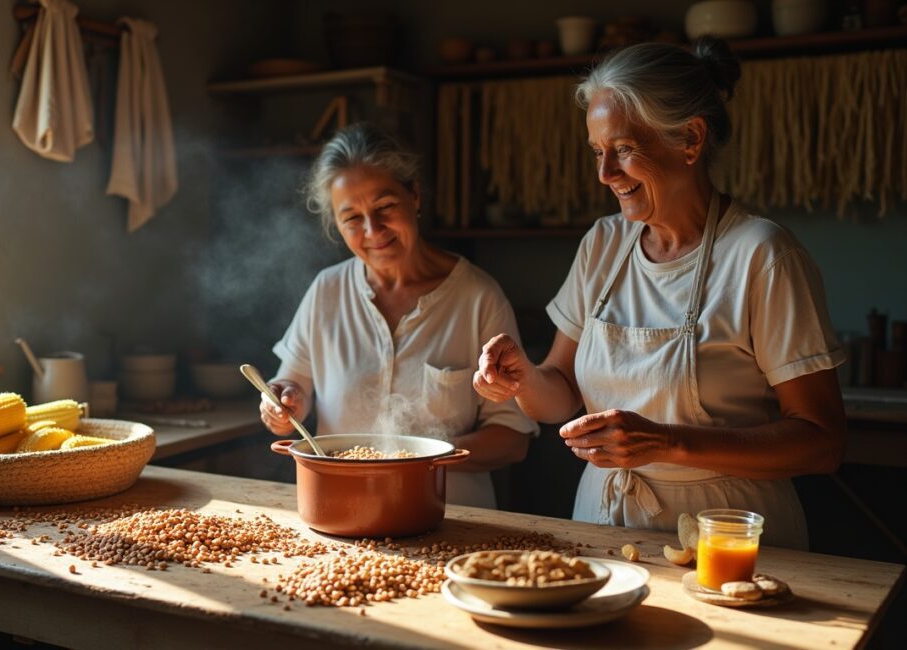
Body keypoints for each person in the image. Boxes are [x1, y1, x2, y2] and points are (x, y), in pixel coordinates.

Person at [473, 39, 846, 549]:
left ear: (690, 139)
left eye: (624, 149)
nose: (605, 174)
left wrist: (667, 443)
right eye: (598, 152)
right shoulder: (603, 245)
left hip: (727, 536)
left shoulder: (762, 256)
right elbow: (559, 393)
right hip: (605, 524)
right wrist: (522, 379)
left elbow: (822, 442)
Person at [260, 123, 537, 508]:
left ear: (415, 195)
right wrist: (282, 403)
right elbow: (293, 387)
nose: (373, 229)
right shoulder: (327, 290)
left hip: (453, 518)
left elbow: (512, 439)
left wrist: (418, 459)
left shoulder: (478, 298)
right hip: (340, 512)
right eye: (351, 218)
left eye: (385, 206)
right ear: (336, 224)